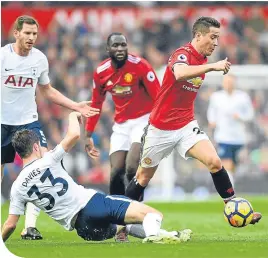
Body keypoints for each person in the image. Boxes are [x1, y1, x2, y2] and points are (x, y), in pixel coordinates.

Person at [124, 17, 262, 224]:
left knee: (214, 162)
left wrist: (209, 65)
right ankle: (120, 222)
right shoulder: (182, 54)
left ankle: (233, 206)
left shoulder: (203, 59)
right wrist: (213, 67)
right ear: (198, 35)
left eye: (218, 38)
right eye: (213, 37)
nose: (216, 43)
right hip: (160, 128)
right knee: (143, 178)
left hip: (186, 125)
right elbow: (179, 73)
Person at [1, 112, 193, 244]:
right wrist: (73, 114)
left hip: (85, 230)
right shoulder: (49, 160)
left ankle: (169, 235)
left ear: (18, 154)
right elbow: (74, 134)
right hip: (91, 205)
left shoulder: (17, 187)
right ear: (36, 147)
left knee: (124, 225)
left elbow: (10, 224)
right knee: (154, 215)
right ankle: (154, 237)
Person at [1, 15, 99, 240]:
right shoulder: (3, 57)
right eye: (27, 33)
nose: (31, 37)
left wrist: (75, 105)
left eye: (34, 34)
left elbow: (46, 90)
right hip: (2, 124)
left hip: (28, 122)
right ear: (16, 33)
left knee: (42, 168)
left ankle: (30, 227)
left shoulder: (39, 59)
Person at [84, 33, 160, 196]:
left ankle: (136, 211)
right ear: (107, 49)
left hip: (143, 121)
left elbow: (158, 97)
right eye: (115, 45)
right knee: (115, 172)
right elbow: (96, 102)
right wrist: (88, 133)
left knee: (132, 167)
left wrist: (161, 124)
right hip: (121, 125)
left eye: (123, 45)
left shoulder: (140, 66)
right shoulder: (101, 72)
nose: (120, 49)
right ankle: (117, 216)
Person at [207, 74, 254, 185]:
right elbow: (211, 111)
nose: (228, 84)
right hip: (223, 136)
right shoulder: (216, 97)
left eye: (230, 82)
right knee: (226, 163)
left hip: (238, 137)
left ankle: (231, 184)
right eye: (226, 82)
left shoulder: (242, 97)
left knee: (233, 166)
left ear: (234, 83)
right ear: (223, 83)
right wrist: (212, 121)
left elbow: (250, 114)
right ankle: (229, 189)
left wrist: (240, 117)